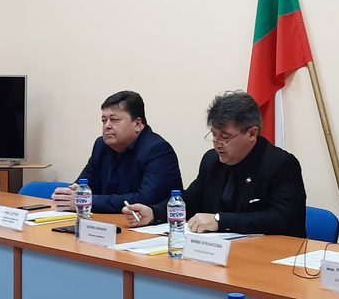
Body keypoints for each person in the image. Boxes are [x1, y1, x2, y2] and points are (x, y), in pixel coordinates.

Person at [122, 91, 306, 237]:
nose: (217, 143)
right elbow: (192, 201)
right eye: (214, 135)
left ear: (251, 134)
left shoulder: (281, 164)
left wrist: (220, 221)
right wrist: (154, 213)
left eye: (225, 137)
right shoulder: (212, 160)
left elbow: (281, 218)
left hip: (271, 256)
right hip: (218, 252)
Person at [51, 91, 182, 214]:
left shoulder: (158, 150)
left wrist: (87, 201)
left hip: (148, 225)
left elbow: (145, 199)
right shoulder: (101, 145)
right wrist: (69, 193)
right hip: (106, 222)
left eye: (114, 120)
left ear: (137, 124)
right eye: (104, 120)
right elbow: (85, 183)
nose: (107, 126)